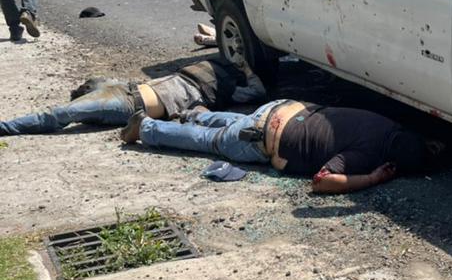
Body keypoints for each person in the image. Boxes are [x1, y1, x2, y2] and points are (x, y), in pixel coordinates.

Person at [121, 100, 428, 193]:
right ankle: (147, 128)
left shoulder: (386, 122)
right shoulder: (368, 155)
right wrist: (373, 178)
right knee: (210, 142)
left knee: (238, 123)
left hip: (282, 108)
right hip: (263, 138)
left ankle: (192, 114)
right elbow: (322, 182)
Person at [0, 59, 265, 135]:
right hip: (128, 88)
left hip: (129, 104)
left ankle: (6, 127)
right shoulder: (198, 76)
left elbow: (257, 92)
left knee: (58, 115)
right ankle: (85, 103)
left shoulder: (211, 93)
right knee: (92, 83)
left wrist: (246, 69)